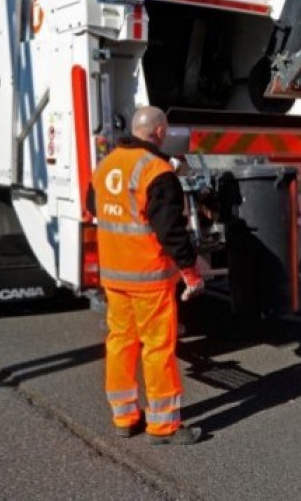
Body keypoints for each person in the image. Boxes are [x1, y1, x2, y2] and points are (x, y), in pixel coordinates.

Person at [86, 106, 204, 444]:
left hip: (115, 276)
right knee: (157, 347)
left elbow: (95, 208)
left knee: (120, 342)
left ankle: (124, 416)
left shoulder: (106, 164)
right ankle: (163, 426)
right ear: (160, 132)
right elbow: (171, 232)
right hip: (148, 278)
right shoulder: (157, 171)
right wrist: (191, 272)